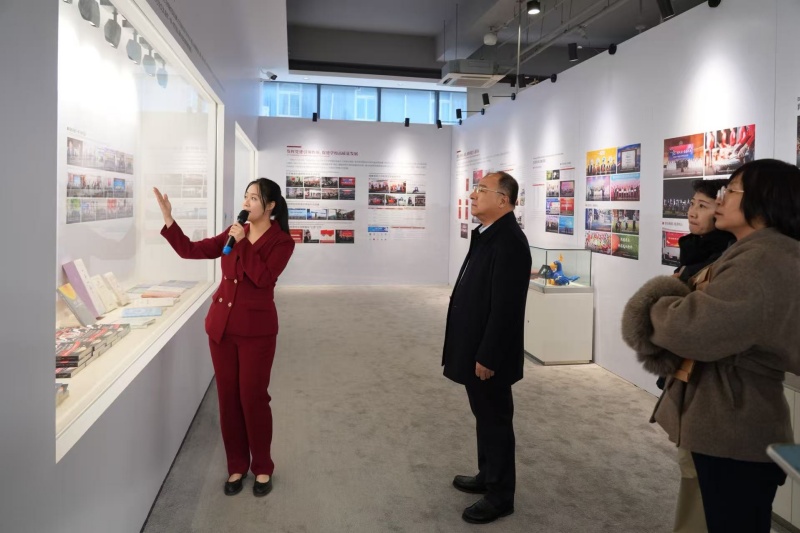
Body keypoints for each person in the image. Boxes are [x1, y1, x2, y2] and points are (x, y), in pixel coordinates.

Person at [622, 159, 800, 532]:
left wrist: (658, 302)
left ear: (762, 201)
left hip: (735, 426)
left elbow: (694, 329)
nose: (720, 201)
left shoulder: (762, 260)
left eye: (730, 191)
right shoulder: (760, 253)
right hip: (730, 420)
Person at [153, 177, 295, 498]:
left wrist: (242, 243)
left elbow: (263, 279)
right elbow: (192, 250)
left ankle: (262, 466)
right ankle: (236, 465)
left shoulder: (282, 242)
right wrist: (169, 219)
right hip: (222, 329)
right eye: (246, 197)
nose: (246, 203)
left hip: (256, 333)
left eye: (254, 198)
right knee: (228, 400)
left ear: (270, 206)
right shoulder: (235, 231)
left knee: (253, 398)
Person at [442, 171, 532, 524]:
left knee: (495, 420)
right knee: (484, 415)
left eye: (481, 189)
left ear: (503, 200)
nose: (473, 195)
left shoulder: (509, 242)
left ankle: (500, 495)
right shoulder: (489, 234)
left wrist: (488, 355)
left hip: (489, 353)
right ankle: (487, 475)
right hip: (475, 344)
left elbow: (506, 308)